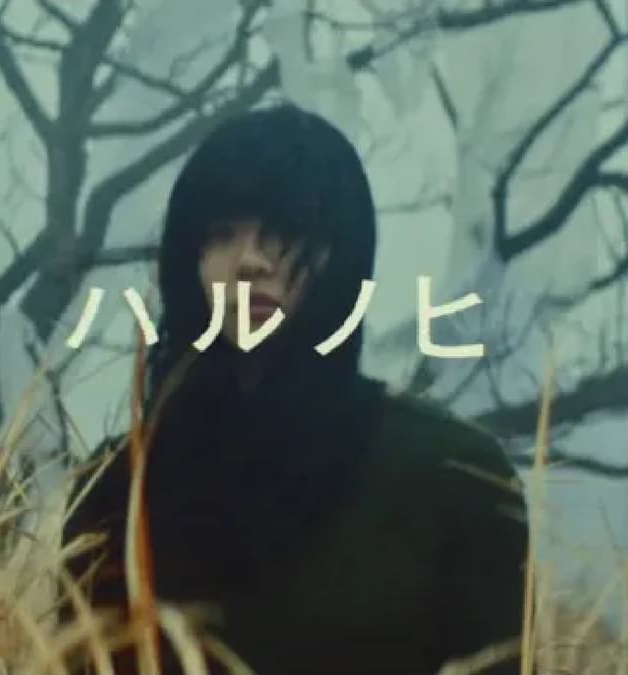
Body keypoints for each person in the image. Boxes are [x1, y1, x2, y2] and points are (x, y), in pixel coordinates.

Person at [58, 102, 530, 675]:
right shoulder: (117, 487)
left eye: (284, 232)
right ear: (187, 260)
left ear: (343, 255)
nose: (250, 261)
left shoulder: (456, 477)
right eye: (220, 235)